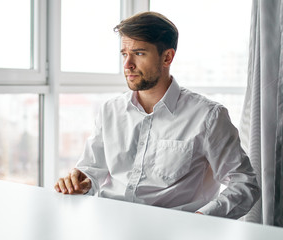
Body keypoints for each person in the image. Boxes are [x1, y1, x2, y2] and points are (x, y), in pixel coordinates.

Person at [55, 11, 260, 219]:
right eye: (124, 54)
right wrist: (82, 181)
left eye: (139, 53)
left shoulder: (208, 116)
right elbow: (92, 170)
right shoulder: (110, 111)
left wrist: (201, 219)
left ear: (167, 57)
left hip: (174, 231)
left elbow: (244, 184)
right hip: (109, 225)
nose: (127, 65)